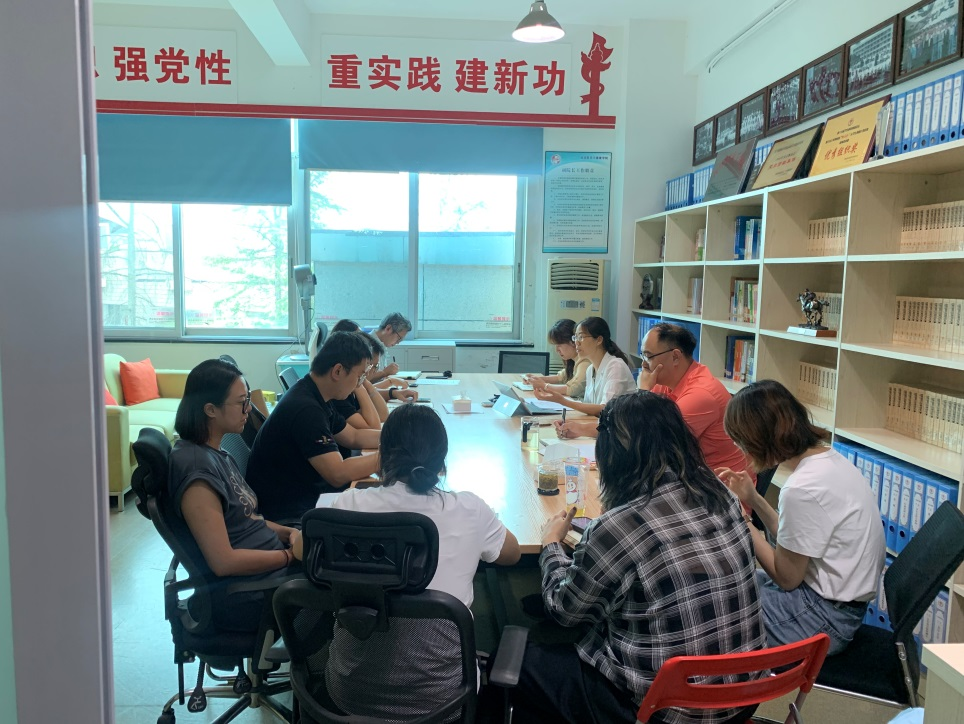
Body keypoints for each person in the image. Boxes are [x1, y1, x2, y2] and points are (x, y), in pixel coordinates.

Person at [518, 391, 767, 724]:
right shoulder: (720, 494)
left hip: (664, 711)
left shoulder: (620, 525)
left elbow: (566, 610)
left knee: (522, 660)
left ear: (611, 455)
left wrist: (551, 544)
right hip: (743, 696)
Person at [323, 403, 521, 720]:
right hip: (443, 701)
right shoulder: (470, 508)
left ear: (382, 456)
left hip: (351, 695)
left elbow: (301, 548)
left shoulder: (348, 505)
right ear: (441, 463)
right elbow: (511, 554)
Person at [718, 380, 885, 656]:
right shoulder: (829, 460)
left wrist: (743, 523)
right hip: (839, 606)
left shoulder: (801, 488)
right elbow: (794, 539)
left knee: (713, 608)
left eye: (741, 441)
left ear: (758, 439)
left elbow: (787, 578)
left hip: (822, 619)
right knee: (727, 583)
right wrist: (754, 499)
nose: (741, 450)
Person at [169, 359, 302, 632]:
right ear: (210, 410)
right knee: (347, 581)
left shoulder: (217, 453)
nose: (248, 409)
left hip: (268, 572)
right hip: (252, 593)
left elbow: (247, 518)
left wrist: (290, 533)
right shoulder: (196, 472)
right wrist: (289, 556)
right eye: (242, 402)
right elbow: (223, 562)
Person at [246, 332, 382, 521]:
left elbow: (354, 437)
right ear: (338, 371)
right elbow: (337, 473)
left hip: (305, 497)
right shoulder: (306, 408)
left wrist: (397, 436)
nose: (359, 384)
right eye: (359, 377)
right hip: (289, 513)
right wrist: (390, 457)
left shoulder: (316, 394)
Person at [635, 322, 751, 476]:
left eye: (648, 356)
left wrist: (642, 392)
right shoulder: (664, 380)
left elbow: (653, 445)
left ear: (675, 357)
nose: (643, 364)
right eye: (642, 355)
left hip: (720, 484)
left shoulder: (700, 394)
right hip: (689, 473)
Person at [533, 316, 635, 439]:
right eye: (575, 337)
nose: (576, 342)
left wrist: (562, 401)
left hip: (620, 436)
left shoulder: (615, 366)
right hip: (602, 432)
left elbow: (604, 409)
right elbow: (590, 408)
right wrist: (575, 427)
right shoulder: (590, 369)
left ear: (599, 340)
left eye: (581, 337)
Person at [524, 318, 591, 400]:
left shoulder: (585, 361)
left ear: (573, 342)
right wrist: (536, 380)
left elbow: (573, 389)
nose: (557, 350)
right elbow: (561, 377)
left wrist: (544, 386)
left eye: (559, 345)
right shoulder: (573, 359)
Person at [366, 311, 412, 384]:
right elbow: (363, 381)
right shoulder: (366, 345)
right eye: (399, 338)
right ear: (388, 328)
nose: (398, 342)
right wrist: (385, 372)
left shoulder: (382, 343)